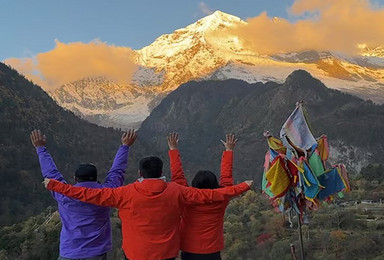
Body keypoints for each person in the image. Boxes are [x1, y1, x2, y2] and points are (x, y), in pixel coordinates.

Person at [43, 155, 253, 260]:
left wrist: (56, 186)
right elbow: (211, 195)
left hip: (136, 254)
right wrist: (241, 187)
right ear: (162, 172)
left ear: (140, 173)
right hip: (167, 253)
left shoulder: (124, 193)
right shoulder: (176, 191)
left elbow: (88, 193)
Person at [30, 129, 137, 260]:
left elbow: (51, 174)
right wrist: (125, 146)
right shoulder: (106, 194)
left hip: (69, 252)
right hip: (97, 253)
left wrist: (40, 148)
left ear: (75, 178)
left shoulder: (64, 194)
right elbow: (117, 172)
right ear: (96, 178)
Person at [167, 132, 241, 260]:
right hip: (212, 251)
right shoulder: (221, 198)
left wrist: (173, 150)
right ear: (215, 185)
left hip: (189, 249)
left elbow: (178, 178)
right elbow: (226, 178)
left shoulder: (187, 197)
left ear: (194, 184)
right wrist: (228, 151)